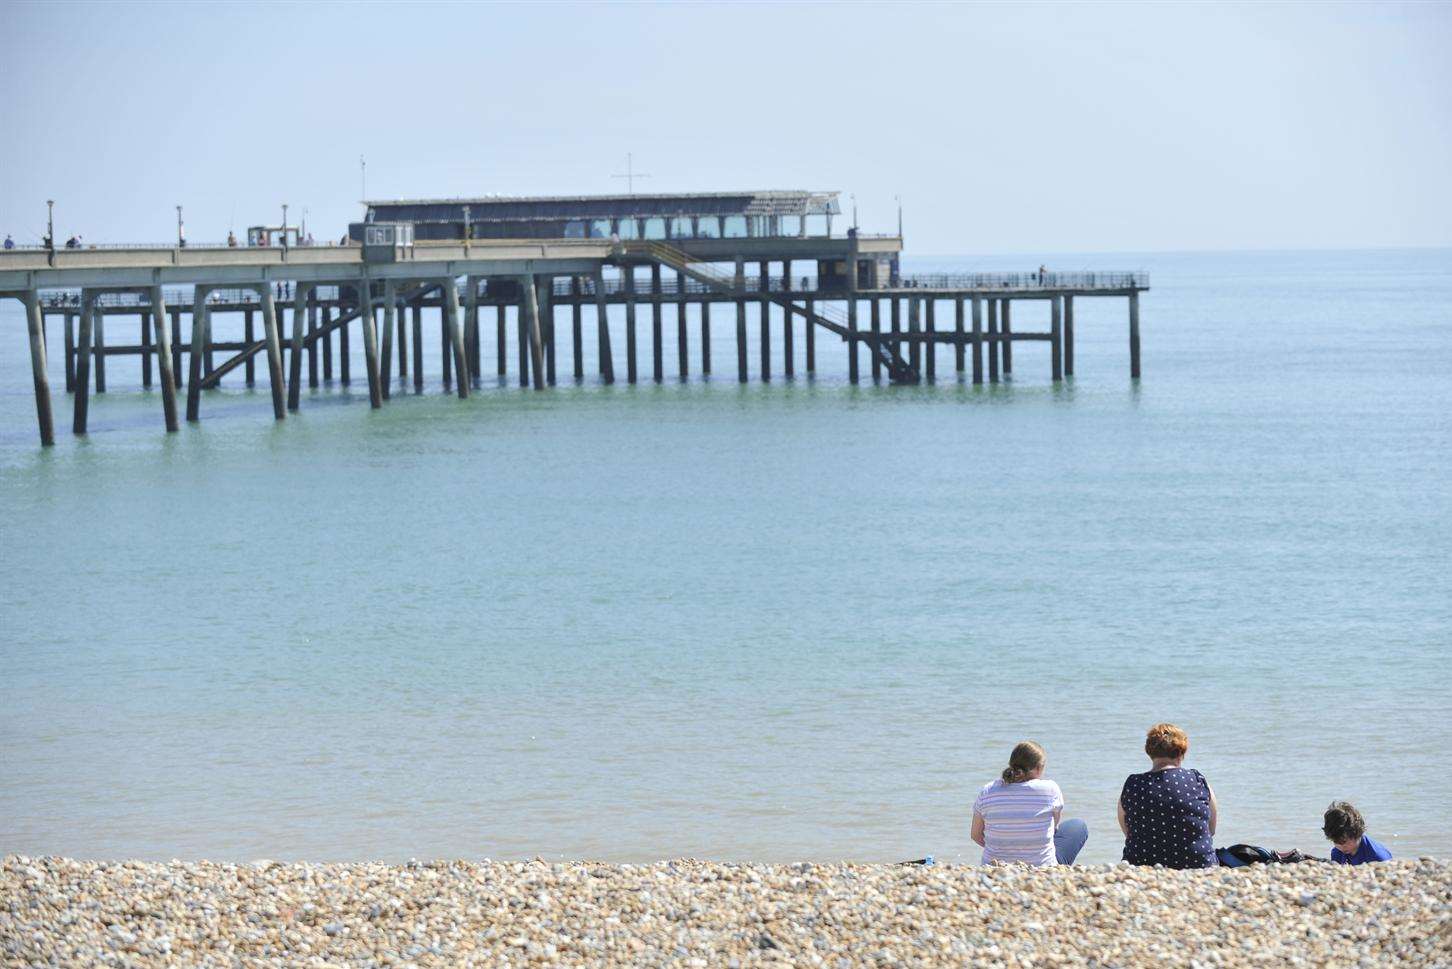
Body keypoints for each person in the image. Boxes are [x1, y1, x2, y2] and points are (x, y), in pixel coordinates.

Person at [1119, 722, 1219, 868]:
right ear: (1181, 752)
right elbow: (1211, 829)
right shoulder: (1197, 779)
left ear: (1150, 752)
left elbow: (1128, 830)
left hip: (1141, 864)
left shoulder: (1133, 783)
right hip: (1198, 863)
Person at [971, 741, 1089, 865]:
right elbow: (1054, 826)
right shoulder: (1050, 789)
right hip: (1041, 866)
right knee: (1078, 826)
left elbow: (976, 835)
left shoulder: (988, 790)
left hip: (993, 866)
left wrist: (1005, 849)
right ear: (1038, 768)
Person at [1323, 801, 1392, 865]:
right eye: (1335, 842)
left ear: (1357, 833)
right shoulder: (1337, 852)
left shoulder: (1378, 857)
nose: (1341, 846)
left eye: (1344, 841)